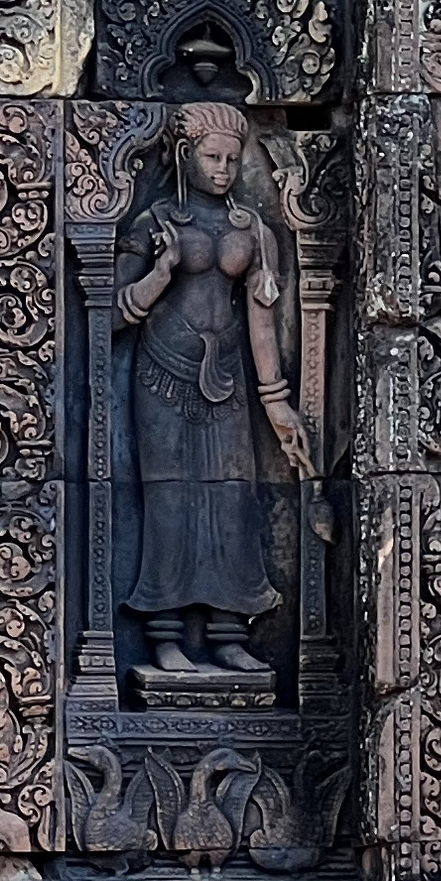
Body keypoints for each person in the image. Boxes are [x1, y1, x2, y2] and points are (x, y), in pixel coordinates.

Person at [117, 102, 306, 676]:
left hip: (228, 380)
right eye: (211, 157)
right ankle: (166, 632)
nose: (223, 169)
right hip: (161, 374)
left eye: (231, 159)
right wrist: (161, 270)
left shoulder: (252, 231)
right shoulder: (155, 224)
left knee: (233, 499)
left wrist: (277, 403)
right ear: (184, 155)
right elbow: (112, 317)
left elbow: (261, 320)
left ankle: (229, 632)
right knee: (171, 500)